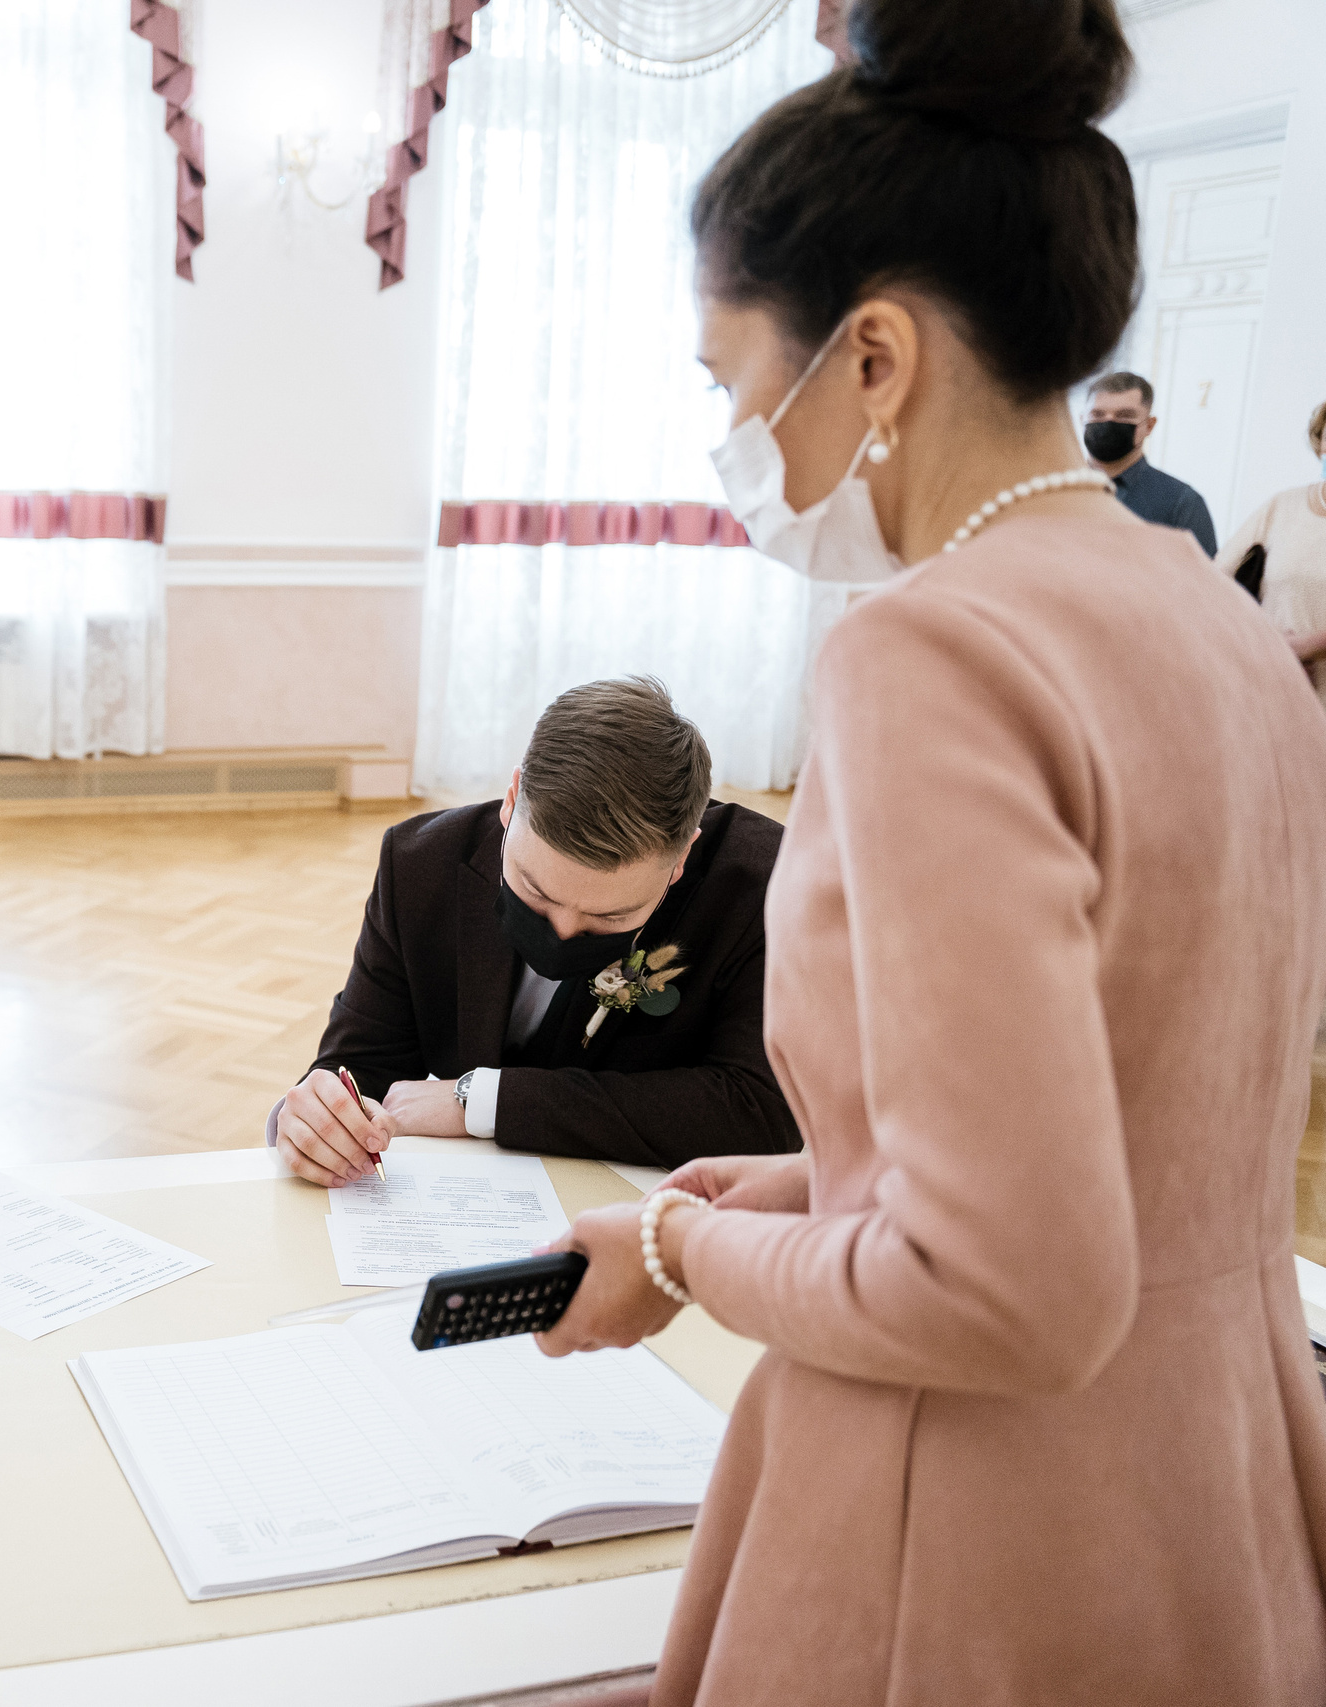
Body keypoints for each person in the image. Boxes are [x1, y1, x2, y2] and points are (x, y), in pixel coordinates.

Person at [531, 2, 1326, 1703]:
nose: (733, 438)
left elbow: (1006, 1288)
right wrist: (824, 1183)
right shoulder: (1224, 622)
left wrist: (679, 1251)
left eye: (732, 380)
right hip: (1217, 1472)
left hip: (980, 1519)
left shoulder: (935, 649)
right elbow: (1139, 1121)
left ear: (873, 358)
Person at [273, 677, 797, 1182]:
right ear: (512, 798)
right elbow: (362, 1064)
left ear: (681, 858)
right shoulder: (420, 864)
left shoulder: (770, 887)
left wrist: (484, 1101)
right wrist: (317, 1119)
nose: (564, 931)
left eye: (610, 917)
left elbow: (762, 1113)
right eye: (535, 891)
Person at [1214, 399, 1326, 713]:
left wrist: (1307, 645)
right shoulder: (1283, 506)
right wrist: (1264, 637)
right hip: (1271, 693)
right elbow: (1215, 579)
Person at [1084, 371, 1218, 554]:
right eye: (1097, 415)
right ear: (1082, 418)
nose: (1108, 423)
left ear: (1149, 425)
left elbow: (1201, 572)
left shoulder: (1181, 503)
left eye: (1124, 416)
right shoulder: (1054, 488)